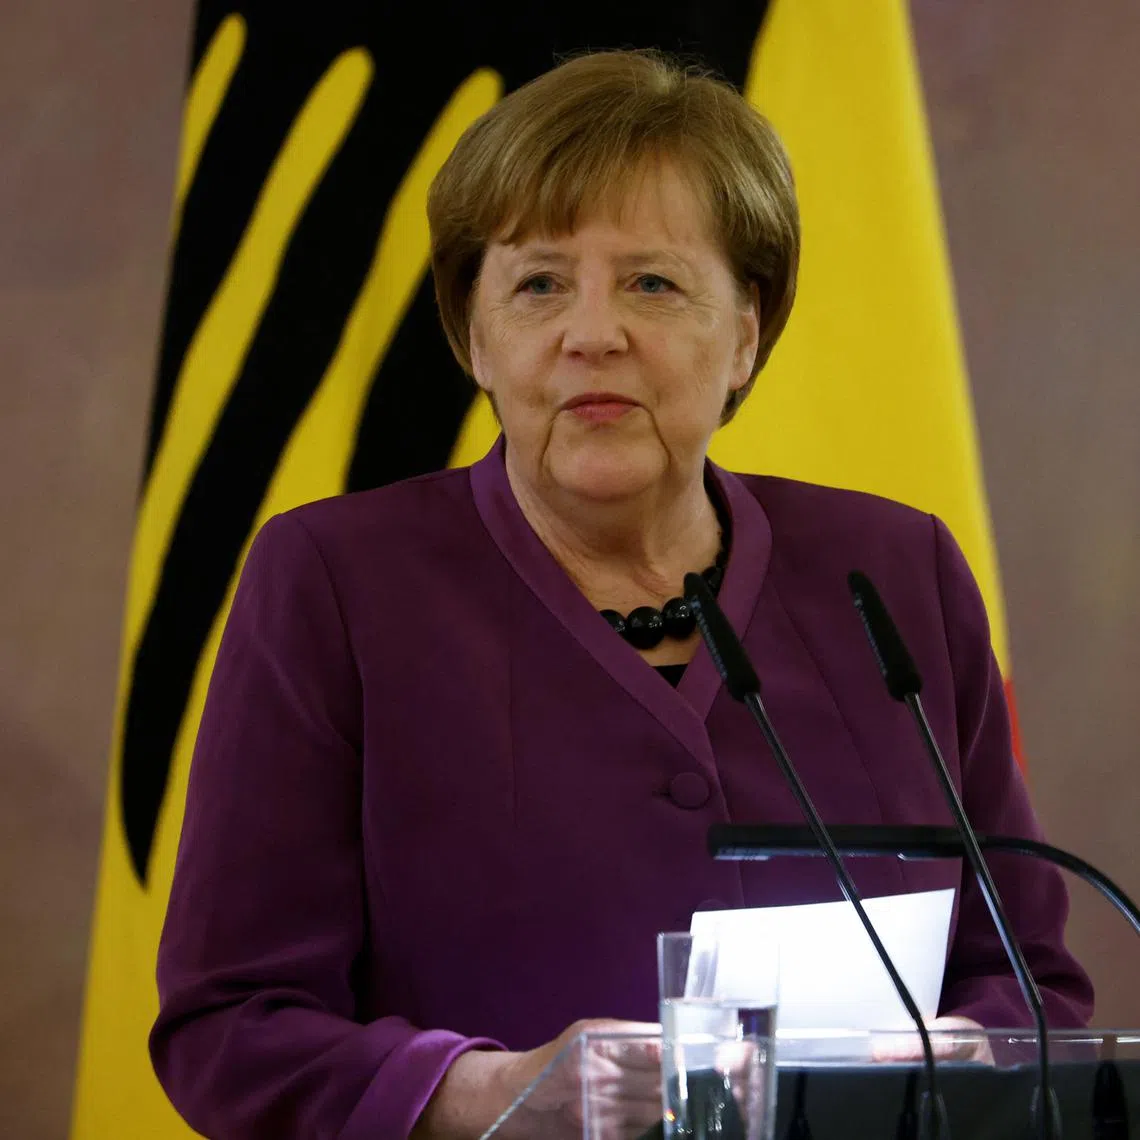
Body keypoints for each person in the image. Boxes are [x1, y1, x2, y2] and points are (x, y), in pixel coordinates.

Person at [149, 49, 1093, 1140]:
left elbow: (1025, 980)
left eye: (652, 281)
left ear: (746, 332)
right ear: (476, 337)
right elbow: (230, 1025)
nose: (592, 331)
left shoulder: (897, 570)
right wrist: (485, 1094)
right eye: (540, 283)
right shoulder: (333, 583)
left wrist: (970, 1059)